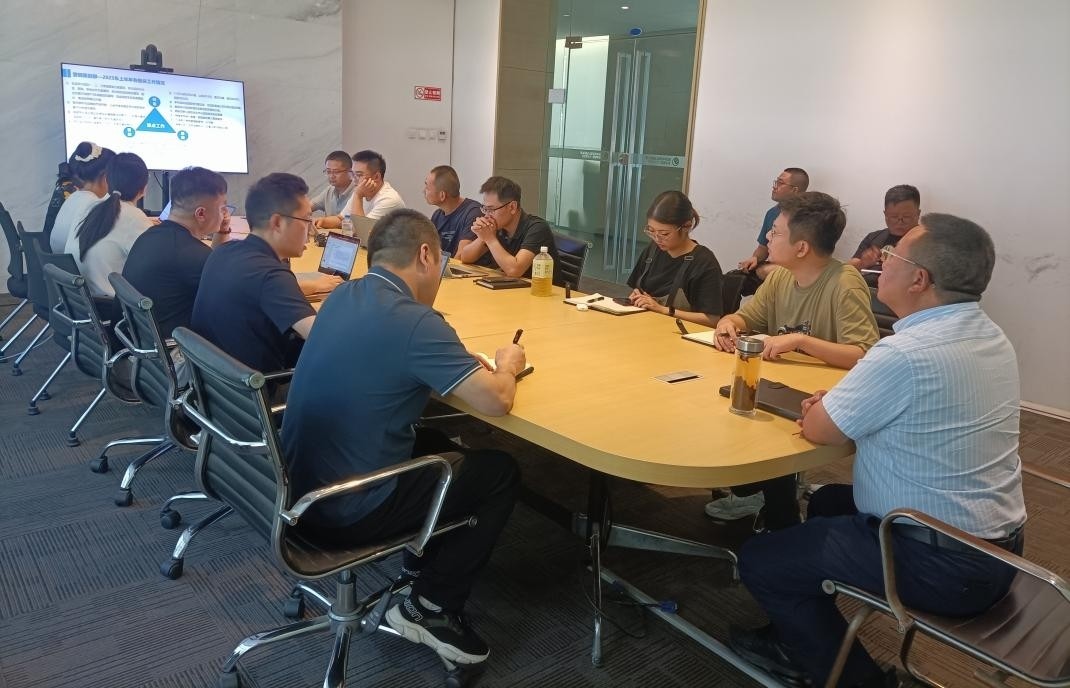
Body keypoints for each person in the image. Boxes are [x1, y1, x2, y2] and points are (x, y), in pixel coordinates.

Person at [730, 214, 1026, 688]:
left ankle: (857, 679)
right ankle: (804, 625)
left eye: (892, 255)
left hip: (942, 565)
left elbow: (820, 430)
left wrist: (824, 410)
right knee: (827, 503)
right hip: (1000, 548)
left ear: (919, 279)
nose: (880, 261)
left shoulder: (906, 353)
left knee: (760, 560)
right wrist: (840, 405)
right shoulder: (989, 336)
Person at [282, 208, 524, 668]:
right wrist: (507, 365)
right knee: (498, 471)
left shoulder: (343, 295)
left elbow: (383, 364)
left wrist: (447, 363)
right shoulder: (415, 321)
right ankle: (431, 606)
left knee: (434, 442)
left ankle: (416, 560)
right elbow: (497, 400)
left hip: (299, 491)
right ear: (426, 255)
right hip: (349, 509)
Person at [708, 191, 878, 529]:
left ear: (801, 247)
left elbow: (864, 354)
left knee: (763, 424)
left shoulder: (845, 283)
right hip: (778, 385)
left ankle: (776, 510)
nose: (768, 239)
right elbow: (748, 317)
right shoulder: (781, 277)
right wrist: (729, 323)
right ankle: (757, 491)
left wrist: (800, 340)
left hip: (819, 398)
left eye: (776, 233)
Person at [192, 173, 338, 373]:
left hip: (214, 380)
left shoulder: (222, 252)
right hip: (258, 387)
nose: (311, 229)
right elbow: (326, 340)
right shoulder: (271, 275)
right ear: (277, 222)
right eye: (306, 220)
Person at [123, 167, 229, 339]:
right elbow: (228, 289)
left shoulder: (150, 235)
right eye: (222, 208)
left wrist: (222, 230)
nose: (225, 215)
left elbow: (211, 264)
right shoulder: (191, 256)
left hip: (137, 341)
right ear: (201, 213)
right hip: (173, 350)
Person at [626, 190, 724, 326]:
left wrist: (663, 310)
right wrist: (637, 297)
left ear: (686, 226)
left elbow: (712, 320)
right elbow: (637, 290)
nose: (657, 238)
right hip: (644, 325)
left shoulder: (704, 263)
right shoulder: (652, 251)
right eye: (651, 231)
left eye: (664, 234)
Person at [65, 153, 152, 298]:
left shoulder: (89, 207)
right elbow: (156, 261)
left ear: (107, 180)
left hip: (82, 300)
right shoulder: (135, 217)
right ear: (144, 189)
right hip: (110, 304)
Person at [456, 176, 558, 278]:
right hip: (508, 285)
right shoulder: (497, 226)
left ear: (512, 207)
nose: (486, 215)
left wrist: (490, 239)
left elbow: (514, 270)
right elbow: (465, 258)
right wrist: (482, 237)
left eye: (491, 210)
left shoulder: (537, 228)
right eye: (485, 209)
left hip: (539, 287)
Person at [734, 167, 809, 294]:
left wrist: (768, 269)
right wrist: (755, 258)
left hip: (794, 272)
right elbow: (763, 247)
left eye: (780, 183)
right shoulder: (772, 213)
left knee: (764, 272)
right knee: (732, 281)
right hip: (771, 267)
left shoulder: (808, 217)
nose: (774, 186)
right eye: (776, 182)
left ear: (794, 190)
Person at [849, 185, 921, 286]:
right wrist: (863, 263)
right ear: (885, 214)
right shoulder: (874, 237)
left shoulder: (928, 241)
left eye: (906, 216)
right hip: (867, 291)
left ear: (918, 214)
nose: (900, 222)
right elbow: (848, 269)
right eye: (894, 216)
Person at [49, 142, 115, 253]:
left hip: (58, 261)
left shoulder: (74, 197)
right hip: (73, 262)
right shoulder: (94, 205)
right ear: (105, 177)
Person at [315, 149, 405, 228]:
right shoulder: (361, 191)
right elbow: (341, 219)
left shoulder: (389, 199)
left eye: (358, 175)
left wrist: (358, 196)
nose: (353, 179)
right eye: (352, 174)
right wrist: (322, 221)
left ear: (376, 177)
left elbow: (361, 231)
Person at [424, 165, 483, 255]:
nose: (424, 191)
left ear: (442, 195)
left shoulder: (473, 213)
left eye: (427, 188)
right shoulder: (437, 215)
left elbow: (460, 257)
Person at [310, 150, 355, 217]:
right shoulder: (330, 190)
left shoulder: (358, 192)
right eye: (328, 172)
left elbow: (349, 220)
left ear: (350, 172)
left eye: (336, 172)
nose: (331, 176)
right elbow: (309, 206)